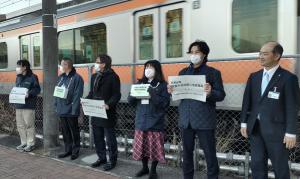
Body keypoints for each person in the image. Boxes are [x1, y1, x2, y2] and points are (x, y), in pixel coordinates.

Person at [240, 41, 300, 179]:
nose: (261, 56)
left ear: (277, 56)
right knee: (257, 165)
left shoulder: (288, 78)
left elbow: (292, 106)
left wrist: (291, 132)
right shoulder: (254, 76)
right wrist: (244, 122)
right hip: (255, 129)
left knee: (280, 168)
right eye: (260, 53)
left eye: (265, 54)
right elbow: (246, 102)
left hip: (277, 131)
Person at [168, 41, 226, 179]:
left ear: (204, 54)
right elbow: (178, 95)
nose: (193, 55)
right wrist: (172, 91)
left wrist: (211, 92)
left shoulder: (213, 73)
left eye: (197, 52)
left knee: (209, 154)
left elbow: (221, 95)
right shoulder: (182, 72)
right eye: (191, 52)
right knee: (186, 153)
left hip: (204, 120)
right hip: (186, 120)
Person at [128, 60, 170, 179]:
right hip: (141, 121)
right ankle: (144, 167)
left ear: (157, 69)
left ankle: (153, 170)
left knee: (154, 148)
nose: (148, 69)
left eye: (151, 67)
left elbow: (164, 104)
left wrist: (152, 94)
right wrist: (133, 94)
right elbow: (130, 101)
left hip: (155, 122)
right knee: (143, 147)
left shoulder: (162, 85)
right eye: (146, 67)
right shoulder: (140, 83)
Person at [86, 54, 121, 171]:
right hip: (95, 110)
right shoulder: (94, 76)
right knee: (98, 137)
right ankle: (101, 158)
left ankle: (112, 160)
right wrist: (85, 101)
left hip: (107, 112)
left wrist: (109, 104)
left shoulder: (113, 77)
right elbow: (92, 92)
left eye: (97, 62)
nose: (95, 64)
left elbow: (117, 94)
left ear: (103, 64)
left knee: (110, 138)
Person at [54, 57, 84, 160]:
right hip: (61, 109)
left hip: (71, 110)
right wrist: (56, 105)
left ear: (67, 66)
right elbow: (56, 92)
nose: (60, 67)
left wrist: (74, 109)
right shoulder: (61, 77)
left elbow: (77, 95)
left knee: (74, 130)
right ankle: (68, 149)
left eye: (62, 65)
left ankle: (75, 151)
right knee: (65, 131)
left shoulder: (77, 78)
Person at [14, 59, 41, 152]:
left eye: (19, 66)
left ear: (24, 67)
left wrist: (29, 94)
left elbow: (37, 89)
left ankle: (31, 144)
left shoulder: (33, 77)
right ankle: (24, 142)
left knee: (29, 125)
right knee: (20, 125)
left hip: (28, 105)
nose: (17, 68)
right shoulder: (18, 77)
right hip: (19, 105)